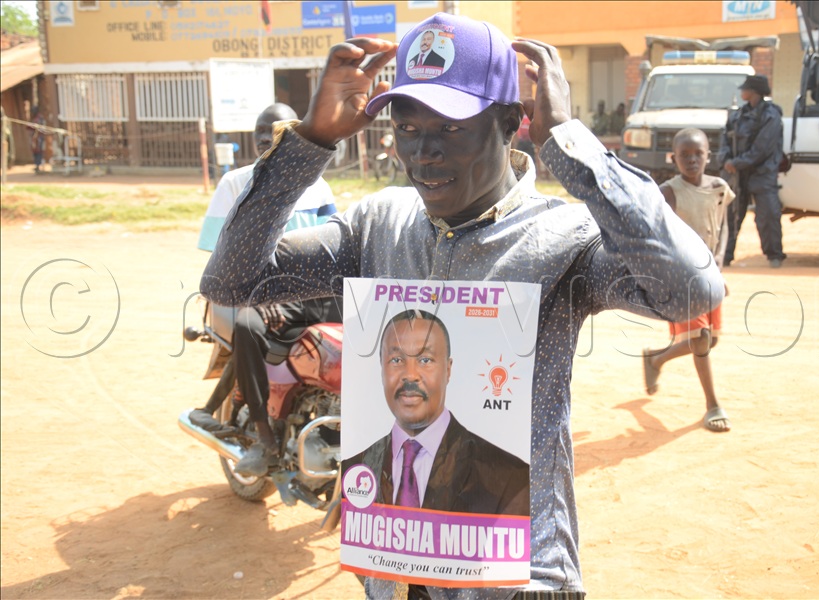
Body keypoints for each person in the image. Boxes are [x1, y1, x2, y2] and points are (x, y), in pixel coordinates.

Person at [201, 12, 723, 598]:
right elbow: (232, 282)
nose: (423, 153)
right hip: (396, 577)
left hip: (519, 579)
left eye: (449, 129)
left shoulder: (563, 239)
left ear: (509, 123)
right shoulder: (378, 227)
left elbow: (691, 291)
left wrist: (573, 147)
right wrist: (310, 142)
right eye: (406, 128)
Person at [189, 102, 341, 477]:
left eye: (278, 138)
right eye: (261, 138)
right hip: (253, 292)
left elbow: (336, 245)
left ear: (294, 140)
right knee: (247, 327)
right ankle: (264, 438)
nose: (268, 145)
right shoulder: (235, 183)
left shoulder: (317, 184)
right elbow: (218, 256)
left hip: (309, 293)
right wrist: (259, 294)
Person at [342, 309, 530, 516]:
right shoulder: (353, 468)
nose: (410, 375)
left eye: (425, 360)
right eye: (396, 360)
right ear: (381, 368)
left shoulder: (508, 479)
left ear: (448, 370)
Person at [643, 128, 734, 433]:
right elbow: (660, 238)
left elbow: (722, 231)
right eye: (685, 155)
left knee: (711, 338)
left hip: (711, 274)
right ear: (674, 158)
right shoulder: (668, 192)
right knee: (701, 339)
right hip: (681, 276)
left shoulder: (720, 188)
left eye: (698, 154)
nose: (692, 160)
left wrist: (719, 267)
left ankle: (656, 359)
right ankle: (713, 405)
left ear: (709, 155)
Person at [718, 74, 786, 268]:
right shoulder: (738, 115)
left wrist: (736, 162)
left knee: (768, 215)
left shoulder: (771, 115)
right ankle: (725, 255)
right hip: (738, 174)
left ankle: (774, 255)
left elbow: (762, 148)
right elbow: (725, 139)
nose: (741, 92)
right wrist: (726, 160)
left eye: (745, 89)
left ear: (754, 92)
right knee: (730, 216)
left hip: (762, 172)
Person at [30, 106, 45, 174]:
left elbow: (41, 128)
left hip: (39, 137)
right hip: (35, 138)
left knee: (39, 151)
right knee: (35, 151)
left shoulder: (40, 118)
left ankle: (38, 165)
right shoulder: (34, 118)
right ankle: (36, 165)